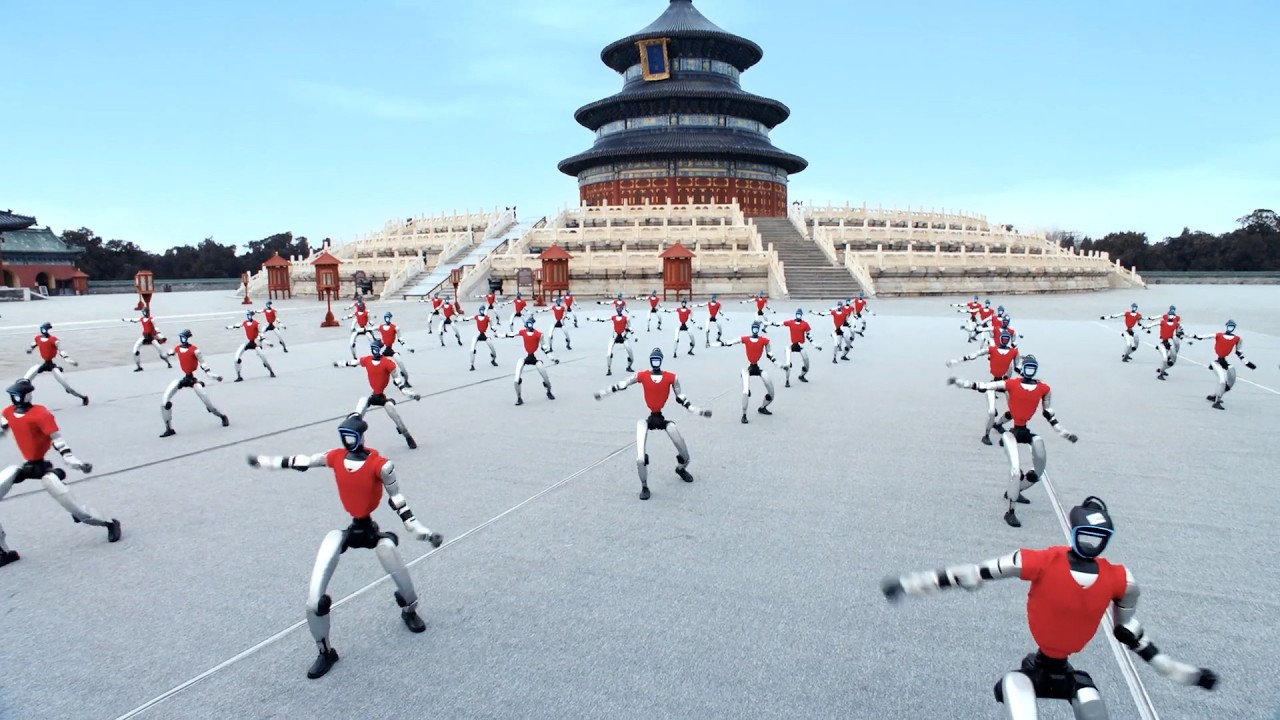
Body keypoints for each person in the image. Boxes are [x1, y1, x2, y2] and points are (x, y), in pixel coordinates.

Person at [882, 496, 1218, 718]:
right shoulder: (1047, 561)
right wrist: (912, 584)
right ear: (1075, 532)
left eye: (1097, 538)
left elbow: (1132, 634)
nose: (1091, 544)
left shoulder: (1117, 579)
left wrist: (1187, 675)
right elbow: (974, 573)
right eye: (1086, 535)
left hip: (1067, 675)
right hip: (1031, 674)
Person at [246, 416, 443, 679]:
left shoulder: (381, 465)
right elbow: (303, 461)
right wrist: (265, 462)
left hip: (372, 531)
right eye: (345, 436)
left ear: (362, 436)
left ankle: (409, 609)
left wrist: (421, 531)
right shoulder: (336, 457)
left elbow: (398, 501)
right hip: (350, 530)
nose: (348, 441)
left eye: (352, 436)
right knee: (315, 598)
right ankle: (324, 650)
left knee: (399, 573)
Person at [1, 379, 121, 567]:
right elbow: (2, 426)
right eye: (13, 395)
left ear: (28, 395)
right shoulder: (8, 412)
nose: (15, 398)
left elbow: (58, 441)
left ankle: (110, 523)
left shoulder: (40, 414)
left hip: (42, 467)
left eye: (18, 394)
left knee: (78, 510)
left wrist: (75, 462)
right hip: (25, 466)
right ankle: (4, 551)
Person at [948, 355, 1077, 528]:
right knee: (1016, 471)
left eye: (1032, 368)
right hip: (1012, 432)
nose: (1029, 371)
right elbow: (985, 386)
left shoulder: (1043, 388)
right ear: (1023, 368)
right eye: (1027, 367)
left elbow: (1049, 414)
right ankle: (1010, 511)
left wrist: (1064, 433)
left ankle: (1016, 490)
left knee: (1039, 466)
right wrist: (962, 382)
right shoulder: (1012, 384)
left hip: (1025, 431)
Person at [594, 348, 712, 500]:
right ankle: (644, 486)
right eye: (653, 360)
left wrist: (697, 411)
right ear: (651, 361)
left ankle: (681, 468)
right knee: (640, 458)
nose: (655, 362)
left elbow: (681, 397)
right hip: (649, 419)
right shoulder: (642, 375)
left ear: (661, 361)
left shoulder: (671, 377)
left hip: (662, 419)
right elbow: (623, 384)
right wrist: (605, 392)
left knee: (685, 453)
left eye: (657, 360)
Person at [334, 340, 420, 448]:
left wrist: (410, 394)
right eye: (373, 349)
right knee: (362, 402)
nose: (375, 351)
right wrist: (341, 364)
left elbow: (398, 382)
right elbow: (353, 362)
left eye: (376, 349)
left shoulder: (388, 363)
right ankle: (354, 419)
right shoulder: (368, 359)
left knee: (395, 416)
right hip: (374, 395)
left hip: (382, 397)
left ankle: (407, 435)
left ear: (380, 349)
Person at [947, 330, 1021, 445]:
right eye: (1003, 338)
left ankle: (998, 424)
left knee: (1015, 410)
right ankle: (986, 435)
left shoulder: (1014, 352)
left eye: (1007, 339)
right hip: (994, 384)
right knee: (992, 412)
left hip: (1005, 384)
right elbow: (975, 355)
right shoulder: (992, 349)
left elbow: (1018, 367)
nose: (1005, 340)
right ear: (1000, 339)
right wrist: (957, 360)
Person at [160, 330, 230, 437]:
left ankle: (222, 416)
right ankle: (168, 428)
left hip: (192, 380)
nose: (182, 339)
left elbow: (204, 365)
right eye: (181, 337)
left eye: (184, 337)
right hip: (184, 378)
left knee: (210, 405)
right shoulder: (178, 348)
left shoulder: (195, 350)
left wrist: (214, 376)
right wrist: (163, 350)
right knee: (165, 402)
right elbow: (169, 353)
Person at [1186, 320, 1256, 409]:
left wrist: (1247, 363)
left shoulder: (1237, 339)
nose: (1230, 327)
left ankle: (1215, 396)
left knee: (1231, 380)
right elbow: (1202, 337)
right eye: (1229, 326)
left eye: (1232, 326)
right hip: (1216, 361)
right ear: (1226, 326)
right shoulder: (1218, 335)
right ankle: (1217, 402)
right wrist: (1188, 335)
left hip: (1225, 362)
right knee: (1222, 380)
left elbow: (1239, 352)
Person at [717, 321, 777, 423]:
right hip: (749, 369)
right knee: (745, 391)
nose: (755, 330)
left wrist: (775, 361)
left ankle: (763, 407)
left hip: (757, 368)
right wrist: (724, 343)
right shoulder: (746, 339)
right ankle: (744, 415)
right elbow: (734, 341)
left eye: (756, 328)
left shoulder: (764, 340)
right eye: (754, 328)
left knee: (771, 391)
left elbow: (769, 353)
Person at [24, 322, 89, 404]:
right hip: (43, 364)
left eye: (44, 329)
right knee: (25, 381)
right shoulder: (38, 338)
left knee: (68, 387)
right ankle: (26, 401)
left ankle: (83, 398)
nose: (43, 331)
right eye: (42, 329)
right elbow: (34, 344)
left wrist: (68, 359)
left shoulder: (53, 340)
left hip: (51, 365)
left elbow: (61, 350)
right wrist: (30, 349)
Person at [501, 317, 558, 406]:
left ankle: (549, 391)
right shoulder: (523, 332)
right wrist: (499, 335)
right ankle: (519, 398)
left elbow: (544, 348)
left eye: (530, 324)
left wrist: (552, 358)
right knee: (516, 379)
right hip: (526, 358)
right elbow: (511, 334)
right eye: (528, 324)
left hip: (535, 358)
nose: (529, 326)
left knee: (546, 378)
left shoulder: (538, 334)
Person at [770, 309, 821, 387]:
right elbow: (779, 323)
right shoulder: (791, 322)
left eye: (799, 314)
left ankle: (801, 375)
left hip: (800, 346)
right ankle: (787, 380)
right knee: (788, 364)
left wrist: (815, 345)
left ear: (801, 315)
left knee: (807, 364)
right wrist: (768, 323)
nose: (798, 316)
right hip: (791, 345)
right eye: (797, 314)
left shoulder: (805, 324)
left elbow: (809, 337)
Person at [225, 310, 277, 382]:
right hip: (249, 343)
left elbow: (261, 334)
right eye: (248, 315)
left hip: (255, 343)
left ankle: (271, 371)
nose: (249, 316)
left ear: (252, 315)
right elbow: (237, 326)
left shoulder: (257, 324)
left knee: (264, 358)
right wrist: (229, 327)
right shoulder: (245, 323)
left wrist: (266, 342)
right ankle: (239, 376)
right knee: (236, 358)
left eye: (250, 315)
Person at [591, 305, 635, 376]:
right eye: (618, 309)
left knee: (631, 355)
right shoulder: (613, 317)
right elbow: (603, 319)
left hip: (623, 337)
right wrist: (592, 319)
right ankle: (609, 369)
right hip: (614, 336)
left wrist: (633, 335)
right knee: (608, 354)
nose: (619, 311)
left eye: (620, 309)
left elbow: (630, 327)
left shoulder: (626, 318)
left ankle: (629, 366)